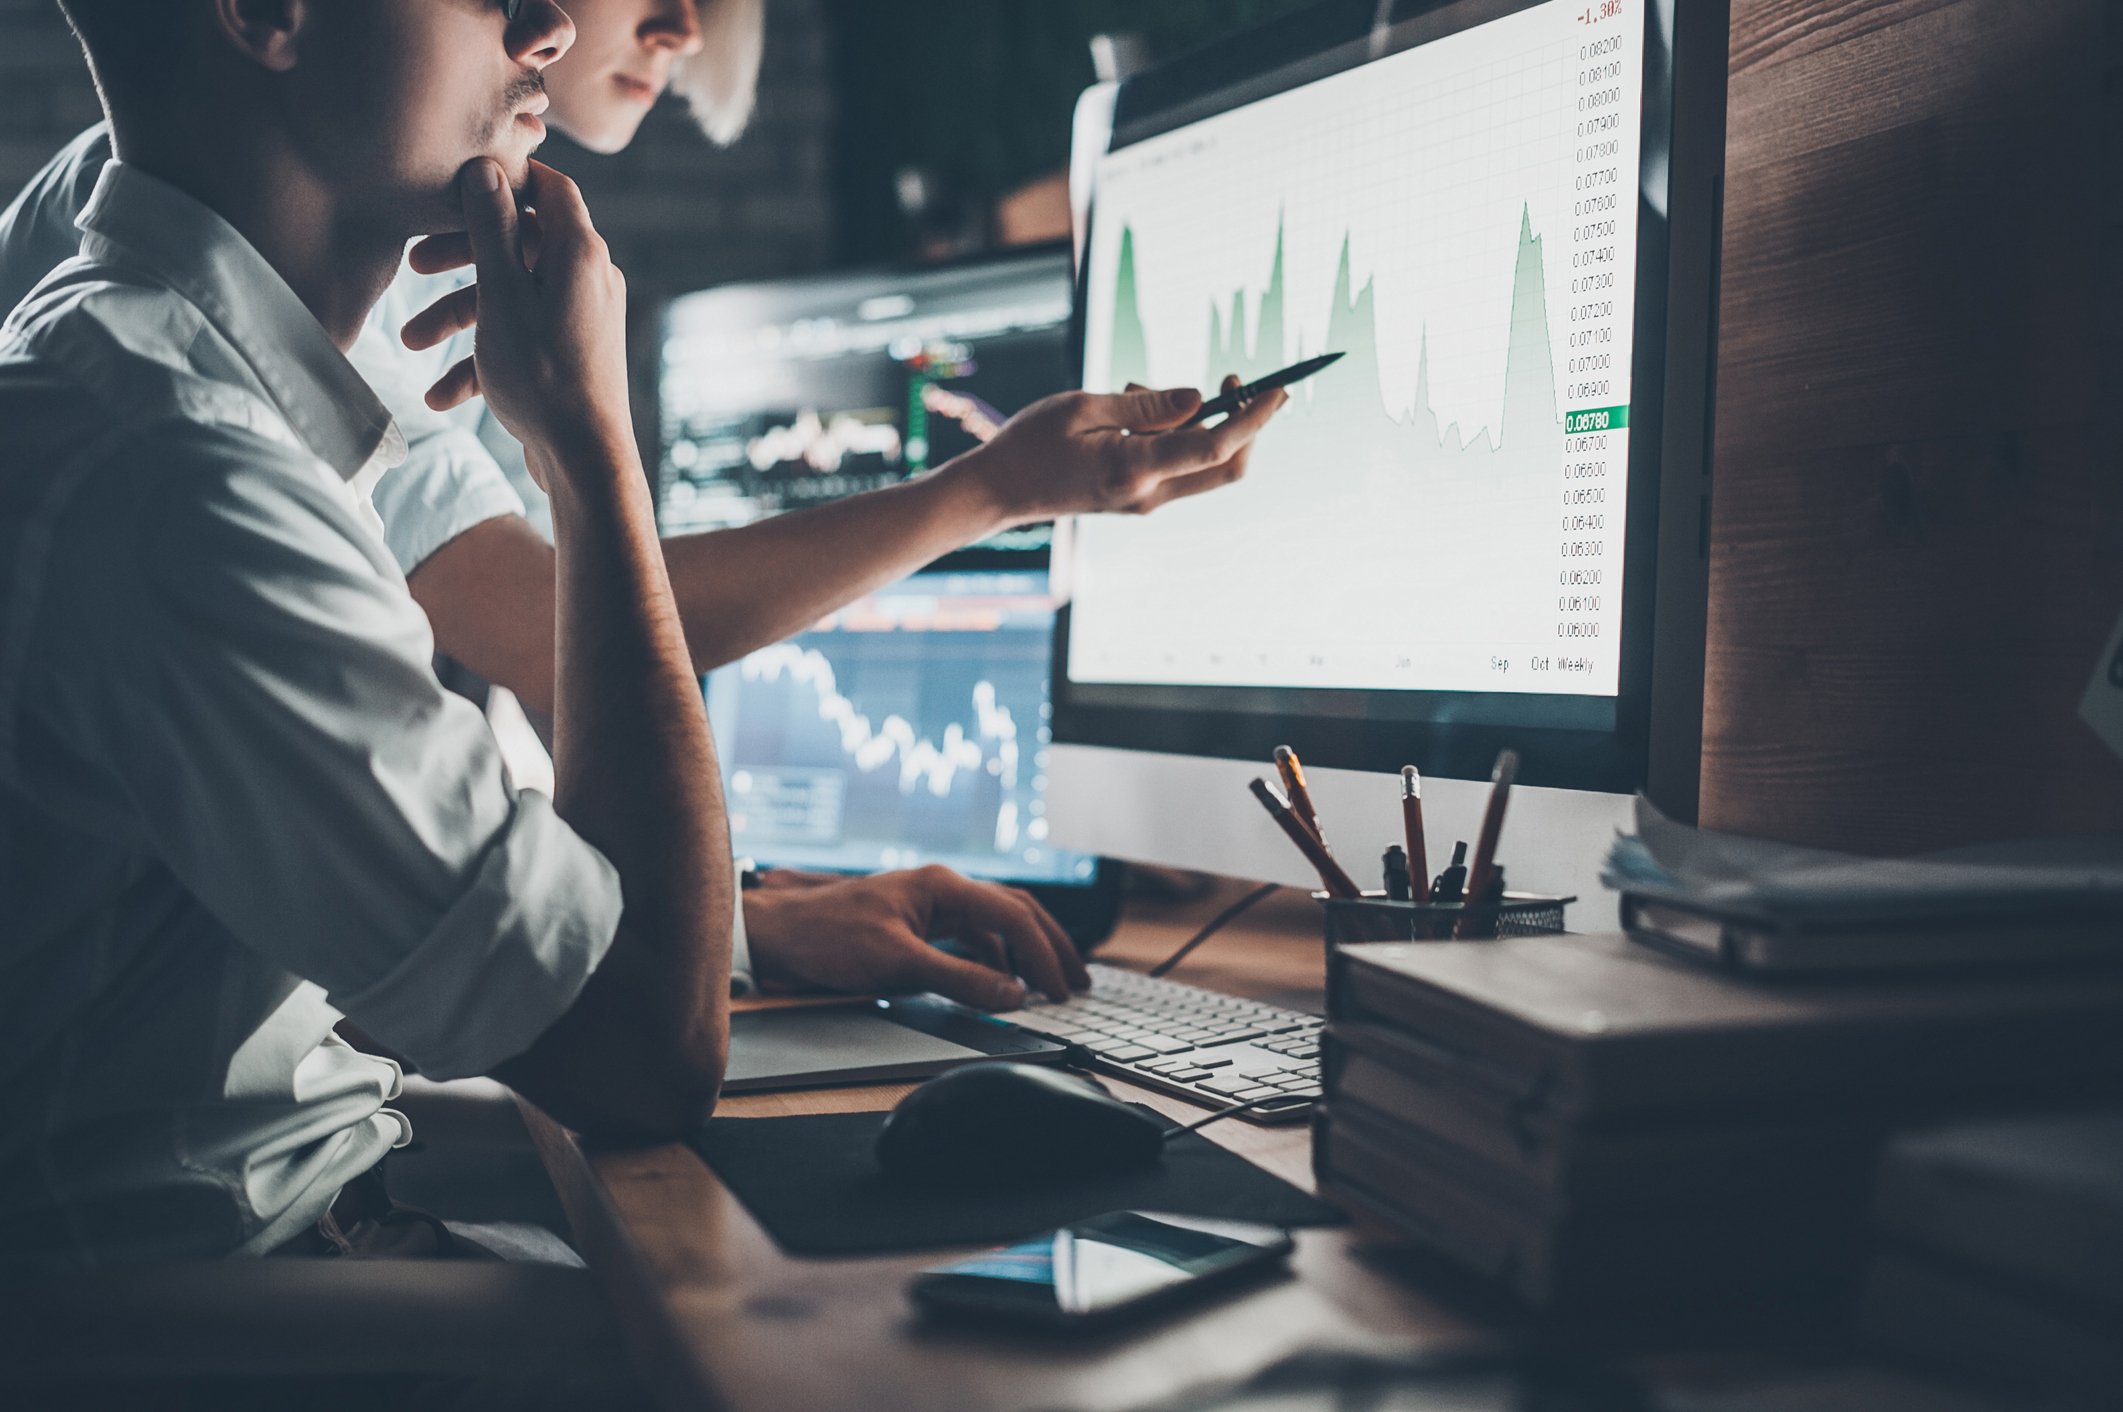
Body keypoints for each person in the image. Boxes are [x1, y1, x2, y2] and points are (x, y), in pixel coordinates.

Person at [0, 0, 1283, 1271]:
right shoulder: (183, 471)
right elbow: (642, 1055)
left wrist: (745, 931)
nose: (548, 24)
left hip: (298, 1202)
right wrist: (587, 444)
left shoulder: (184, 367)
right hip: (220, 1302)